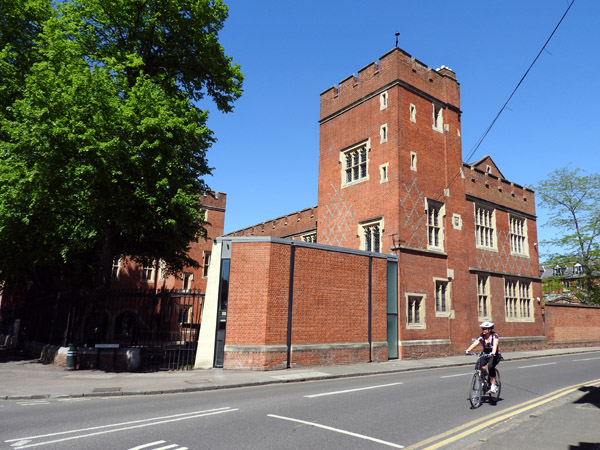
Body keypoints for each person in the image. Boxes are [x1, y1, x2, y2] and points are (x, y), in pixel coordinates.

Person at [465, 321, 500, 393]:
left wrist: (493, 352)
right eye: (482, 329)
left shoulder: (495, 336)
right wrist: (468, 350)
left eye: (485, 329)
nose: (483, 330)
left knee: (490, 367)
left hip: (495, 355)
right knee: (478, 365)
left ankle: (493, 386)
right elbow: (475, 343)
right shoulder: (482, 336)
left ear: (490, 329)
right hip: (485, 354)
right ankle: (483, 381)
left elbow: (495, 345)